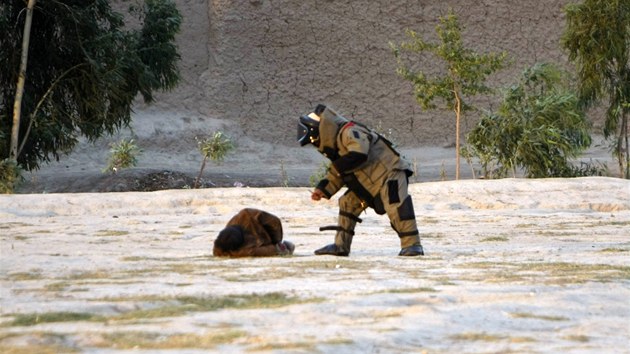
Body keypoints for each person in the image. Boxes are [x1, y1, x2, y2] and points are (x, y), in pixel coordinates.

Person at [297, 104, 424, 257]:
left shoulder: (349, 131)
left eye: (314, 140)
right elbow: (338, 172)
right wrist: (323, 190)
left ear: (320, 130)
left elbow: (358, 154)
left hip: (390, 173)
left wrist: (337, 169)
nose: (315, 144)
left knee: (396, 205)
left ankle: (412, 245)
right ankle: (340, 246)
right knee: (347, 202)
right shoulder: (338, 144)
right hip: (371, 182)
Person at [213, 208, 295, 257]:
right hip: (251, 241)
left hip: (264, 237)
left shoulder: (254, 216)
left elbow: (275, 223)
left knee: (276, 249)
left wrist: (276, 242)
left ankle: (280, 246)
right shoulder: (224, 240)